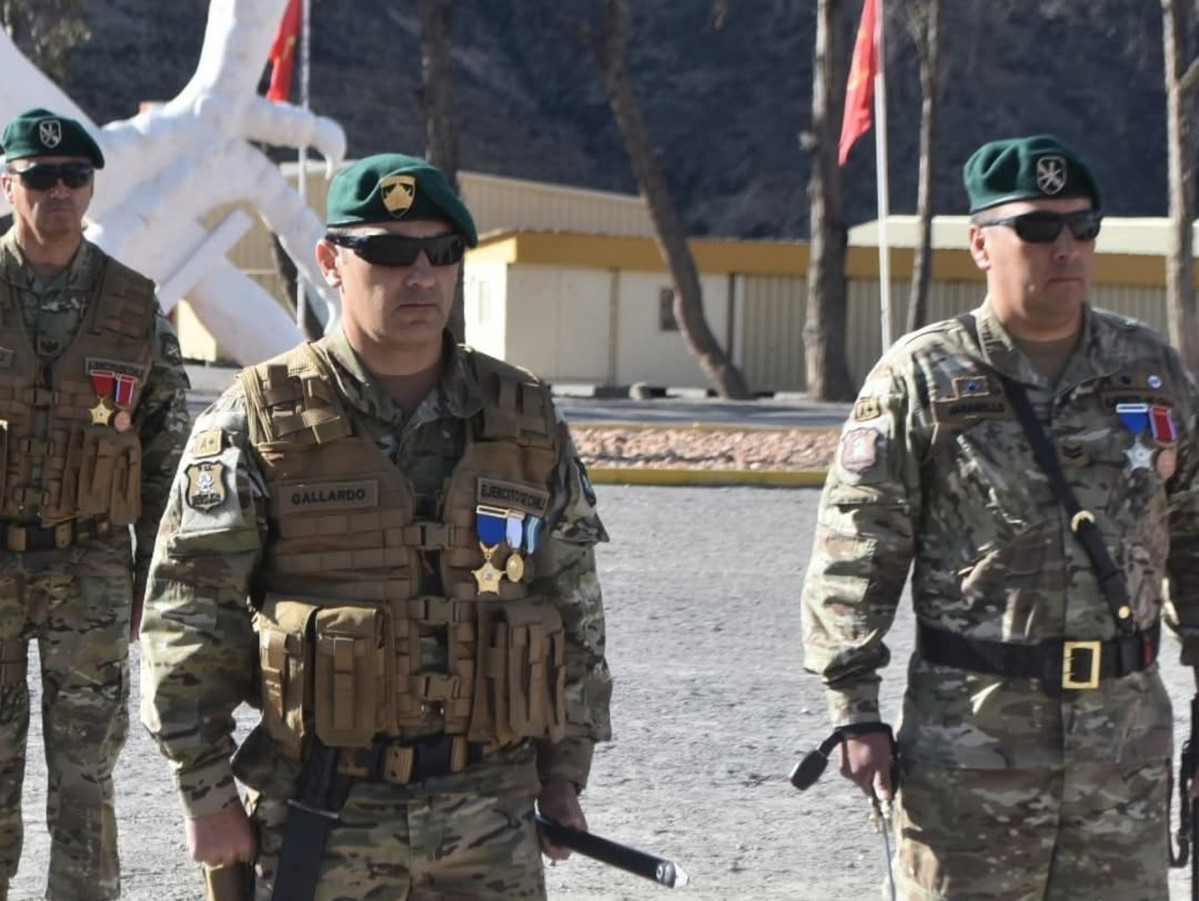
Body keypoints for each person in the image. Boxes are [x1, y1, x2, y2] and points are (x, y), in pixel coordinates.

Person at [139, 152, 613, 901]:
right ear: (330, 261)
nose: (418, 274)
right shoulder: (259, 418)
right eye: (388, 253)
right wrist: (206, 791)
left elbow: (572, 606)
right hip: (325, 810)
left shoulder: (523, 420)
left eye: (440, 252)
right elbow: (186, 616)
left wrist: (563, 774)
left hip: (488, 811)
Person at [800, 133, 1199, 901]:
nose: (1066, 248)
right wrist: (853, 710)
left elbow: (1192, 538)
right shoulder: (922, 375)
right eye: (1040, 228)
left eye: (1083, 227)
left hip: (1121, 754)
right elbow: (856, 550)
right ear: (980, 242)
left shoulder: (1150, 371)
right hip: (970, 751)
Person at [0, 107, 190, 900]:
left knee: (87, 781)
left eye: (74, 176)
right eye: (39, 177)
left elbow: (168, 454)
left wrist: (156, 574)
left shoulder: (134, 305)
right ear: (8, 184)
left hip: (93, 570)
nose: (58, 191)